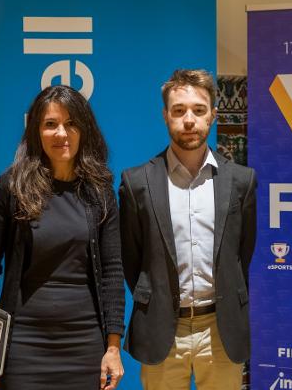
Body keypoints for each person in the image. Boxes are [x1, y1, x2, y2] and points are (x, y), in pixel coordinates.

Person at [0, 85, 125, 390]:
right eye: (50, 124)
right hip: (23, 342)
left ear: (85, 129)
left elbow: (112, 272)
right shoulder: (10, 188)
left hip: (84, 342)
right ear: (36, 132)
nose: (61, 134)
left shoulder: (100, 191)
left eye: (71, 124)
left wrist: (113, 348)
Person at [119, 69, 257, 390]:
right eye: (179, 110)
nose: (189, 119)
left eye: (198, 109)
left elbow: (242, 254)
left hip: (220, 329)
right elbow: (132, 259)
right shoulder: (137, 183)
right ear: (166, 115)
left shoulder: (241, 181)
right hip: (163, 328)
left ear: (213, 115)